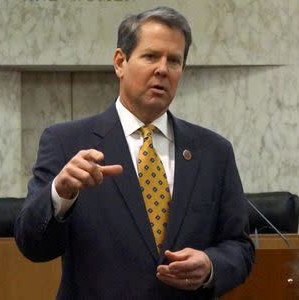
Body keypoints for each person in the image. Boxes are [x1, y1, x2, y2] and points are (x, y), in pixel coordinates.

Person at [15, 6, 254, 299]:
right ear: (120, 62)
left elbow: (240, 246)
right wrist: (59, 194)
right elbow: (32, 245)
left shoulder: (213, 152)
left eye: (174, 61)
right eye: (151, 56)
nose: (163, 69)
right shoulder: (67, 142)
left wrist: (210, 265)